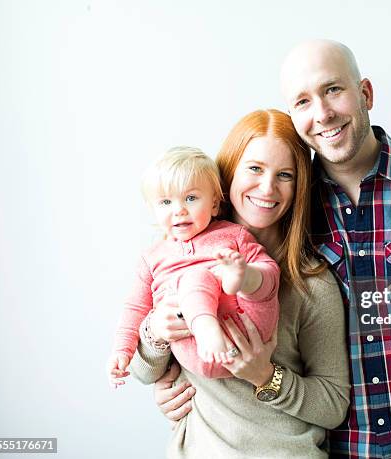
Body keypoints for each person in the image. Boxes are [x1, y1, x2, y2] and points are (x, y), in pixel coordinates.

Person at [154, 40, 391, 459]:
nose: (322, 113)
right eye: (303, 101)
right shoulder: (284, 204)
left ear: (365, 94)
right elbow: (205, 288)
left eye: (333, 90)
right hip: (336, 446)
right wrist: (175, 378)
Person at [129, 109, 351, 458]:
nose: (267, 187)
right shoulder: (177, 255)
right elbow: (143, 371)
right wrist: (156, 331)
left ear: (299, 187)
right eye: (254, 168)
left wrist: (265, 375)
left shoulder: (312, 284)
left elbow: (333, 405)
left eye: (285, 175)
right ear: (228, 173)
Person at [107, 146, 280, 387]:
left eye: (191, 198)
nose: (179, 210)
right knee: (192, 280)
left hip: (247, 328)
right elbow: (135, 308)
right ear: (153, 210)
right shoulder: (152, 258)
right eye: (166, 202)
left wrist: (246, 275)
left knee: (250, 273)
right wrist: (121, 351)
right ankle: (205, 324)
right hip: (195, 348)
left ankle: (239, 280)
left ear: (214, 204)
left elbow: (270, 271)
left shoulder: (234, 236)